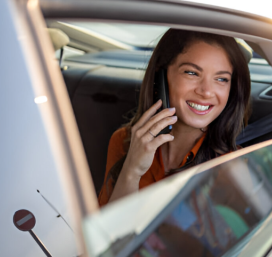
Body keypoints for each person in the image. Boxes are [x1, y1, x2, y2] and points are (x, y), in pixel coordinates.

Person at [98, 29, 251, 206]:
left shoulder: (232, 167)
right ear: (161, 76)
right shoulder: (125, 141)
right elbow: (108, 231)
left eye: (221, 79)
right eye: (192, 73)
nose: (206, 91)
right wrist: (132, 171)